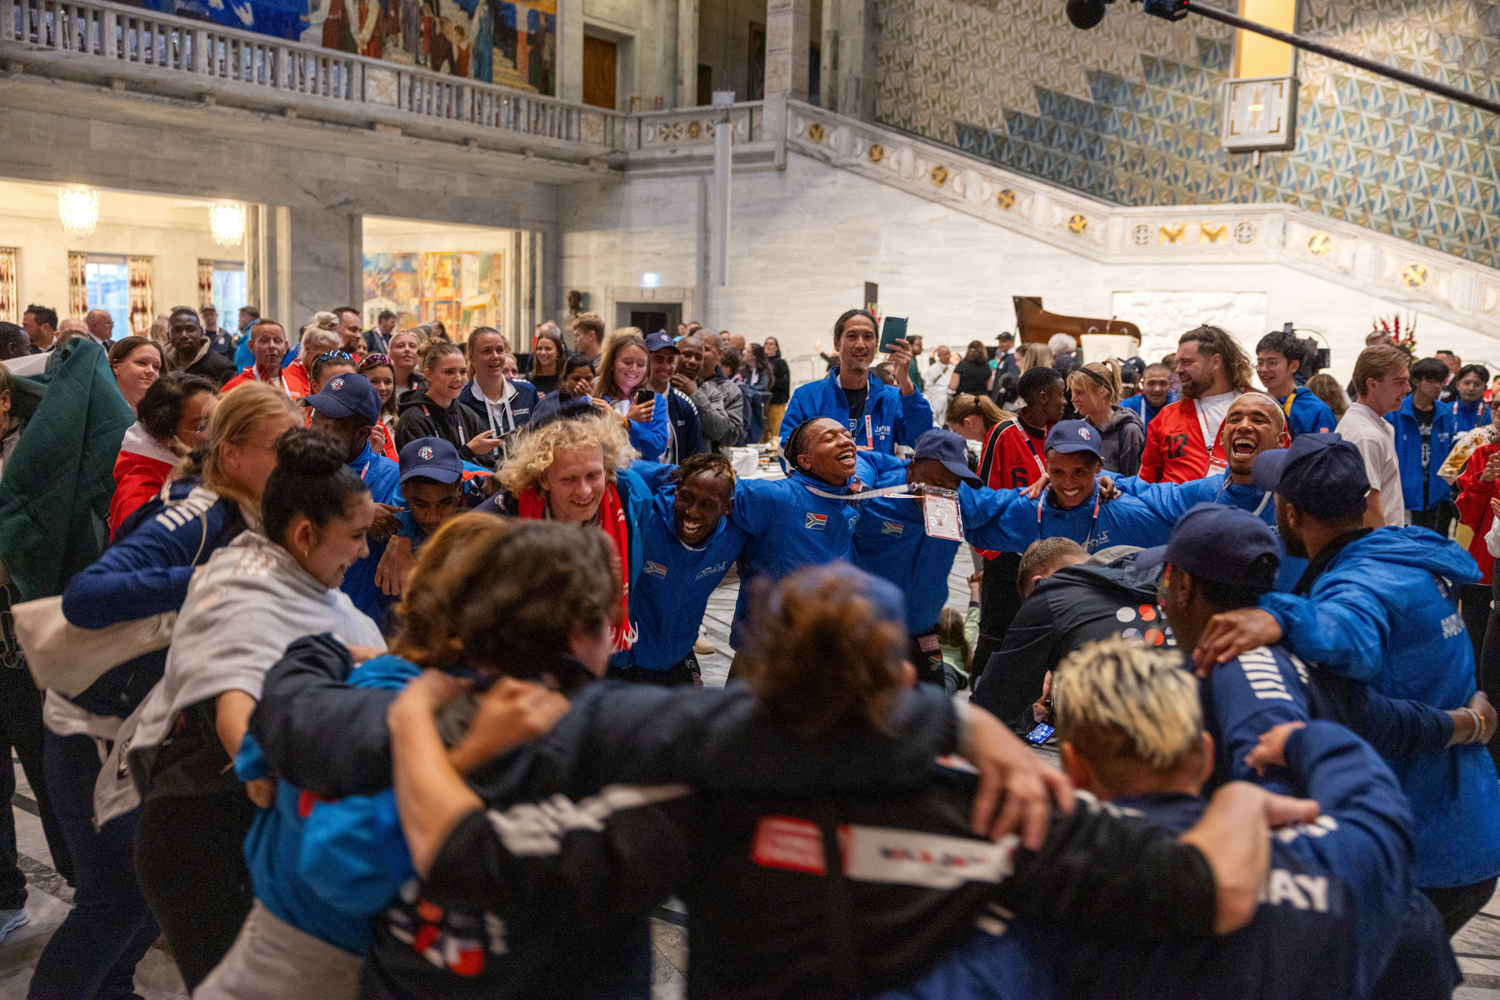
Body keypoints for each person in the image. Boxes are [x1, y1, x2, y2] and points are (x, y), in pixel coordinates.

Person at [376, 551, 1301, 1000]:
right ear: (904, 676)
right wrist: (1248, 796)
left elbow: (460, 851)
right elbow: (1213, 888)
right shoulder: (1005, 809)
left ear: (765, 675)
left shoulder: (698, 801)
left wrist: (414, 713)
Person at [48, 384, 300, 999]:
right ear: (233, 453)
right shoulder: (195, 511)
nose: (293, 461)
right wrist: (206, 578)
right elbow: (86, 597)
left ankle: (114, 992)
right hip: (94, 727)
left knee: (148, 893)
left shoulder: (255, 511)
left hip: (153, 725)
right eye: (280, 449)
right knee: (114, 898)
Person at [1194, 433, 1500, 935]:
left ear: (1291, 513)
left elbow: (1350, 635)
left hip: (1419, 854)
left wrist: (1277, 615)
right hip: (1469, 833)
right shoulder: (1408, 559)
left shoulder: (1356, 583)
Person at [111, 430, 382, 991]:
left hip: (250, 841)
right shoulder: (240, 592)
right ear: (305, 534)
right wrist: (264, 765)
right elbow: (239, 715)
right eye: (356, 536)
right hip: (206, 847)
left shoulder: (294, 583)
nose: (363, 551)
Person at [1039, 637, 1451, 999]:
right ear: (1205, 754)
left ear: (1075, 768)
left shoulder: (1052, 880)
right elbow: (1374, 801)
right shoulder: (1341, 862)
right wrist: (1303, 739)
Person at [475, 412, 648, 651]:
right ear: (544, 479)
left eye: (593, 475)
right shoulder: (501, 522)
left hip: (597, 648)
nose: (585, 491)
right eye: (569, 480)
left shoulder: (630, 505)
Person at [852, 429, 985, 689]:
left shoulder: (953, 505)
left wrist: (1051, 500)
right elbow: (864, 461)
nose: (942, 493)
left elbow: (1004, 507)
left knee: (932, 705)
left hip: (923, 631)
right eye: (937, 481)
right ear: (912, 468)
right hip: (869, 633)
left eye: (952, 485)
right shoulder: (873, 499)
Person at [610, 453, 743, 686]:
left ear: (727, 508)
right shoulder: (645, 522)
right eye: (686, 497)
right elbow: (615, 465)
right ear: (675, 490)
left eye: (707, 504)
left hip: (678, 655)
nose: (692, 511)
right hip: (627, 659)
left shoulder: (735, 536)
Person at [971, 365, 1068, 671]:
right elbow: (982, 493)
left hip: (1052, 554)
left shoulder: (1062, 434)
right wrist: (992, 554)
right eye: (1061, 394)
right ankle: (982, 702)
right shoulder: (1003, 434)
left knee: (1043, 635)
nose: (1065, 401)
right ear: (1042, 398)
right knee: (996, 635)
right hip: (1009, 556)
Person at [301, 373, 402, 622]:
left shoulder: (394, 479)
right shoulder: (298, 469)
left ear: (361, 434)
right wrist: (361, 515)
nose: (315, 434)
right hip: (305, 618)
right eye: (314, 422)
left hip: (368, 622)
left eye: (328, 428)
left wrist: (405, 535)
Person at [782, 310, 931, 455]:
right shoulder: (806, 398)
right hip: (824, 480)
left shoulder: (892, 399)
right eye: (852, 336)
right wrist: (837, 454)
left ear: (876, 344)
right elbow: (786, 450)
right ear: (837, 343)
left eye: (868, 337)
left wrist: (905, 382)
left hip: (878, 480)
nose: (860, 344)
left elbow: (924, 441)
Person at [1139, 325, 1252, 483]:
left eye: (1186, 362)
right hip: (1175, 507)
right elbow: (1146, 482)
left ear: (1215, 362)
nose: (1178, 369)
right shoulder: (1165, 418)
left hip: (1238, 505)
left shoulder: (1260, 410)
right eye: (1178, 362)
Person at [108, 371, 216, 536]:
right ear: (167, 436)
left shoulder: (200, 464)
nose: (217, 433)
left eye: (219, 419)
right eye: (201, 427)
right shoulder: (141, 497)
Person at [395, 341, 501, 469]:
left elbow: (488, 466)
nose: (458, 378)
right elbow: (422, 474)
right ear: (429, 375)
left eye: (462, 372)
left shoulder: (468, 415)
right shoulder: (412, 420)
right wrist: (468, 451)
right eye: (449, 372)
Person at [1336, 344, 1409, 528]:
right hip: (1378, 546)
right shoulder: (1365, 436)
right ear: (1373, 384)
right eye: (1400, 381)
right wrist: (1383, 552)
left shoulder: (1379, 426)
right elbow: (1368, 507)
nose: (1407, 388)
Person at [1389, 356, 1459, 534]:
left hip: (1438, 493)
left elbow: (1454, 452)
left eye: (1441, 381)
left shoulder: (1446, 412)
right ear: (1416, 381)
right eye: (1431, 380)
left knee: (1436, 545)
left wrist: (1449, 484)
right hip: (1405, 492)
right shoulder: (1396, 412)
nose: (1436, 386)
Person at [458, 327, 537, 464]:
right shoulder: (460, 401)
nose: (495, 356)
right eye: (487, 351)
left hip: (525, 478)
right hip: (482, 481)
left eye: (500, 350)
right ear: (471, 356)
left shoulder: (527, 392)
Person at [593, 330, 669, 460]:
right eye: (627, 362)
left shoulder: (655, 401)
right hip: (606, 475)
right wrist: (627, 420)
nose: (634, 369)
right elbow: (592, 448)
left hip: (643, 477)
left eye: (641, 364)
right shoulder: (592, 402)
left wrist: (627, 423)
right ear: (612, 365)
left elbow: (657, 447)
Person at [1067, 359, 1145, 475]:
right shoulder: (1080, 429)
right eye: (1073, 392)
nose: (1073, 399)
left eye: (1080, 392)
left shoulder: (1128, 430)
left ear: (1101, 391)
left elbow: (1132, 482)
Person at [1255, 328, 1336, 438]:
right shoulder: (1255, 405)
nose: (1263, 369)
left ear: (1293, 366)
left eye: (1272, 363)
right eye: (1260, 363)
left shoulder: (1317, 411)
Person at [673, 333, 743, 453]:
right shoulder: (661, 385)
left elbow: (728, 435)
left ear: (719, 354)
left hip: (707, 463)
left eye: (702, 353)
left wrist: (695, 396)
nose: (692, 361)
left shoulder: (715, 391)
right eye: (687, 354)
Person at [644, 330, 702, 463]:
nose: (666, 366)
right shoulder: (631, 399)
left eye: (670, 360)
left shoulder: (684, 404)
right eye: (658, 359)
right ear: (645, 360)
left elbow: (693, 456)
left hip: (673, 482)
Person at [223, 320, 309, 397]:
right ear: (251, 346)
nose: (272, 345)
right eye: (264, 341)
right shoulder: (235, 388)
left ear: (285, 347)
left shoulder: (298, 383)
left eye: (277, 341)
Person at [162, 307, 237, 387]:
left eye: (190, 329)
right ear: (169, 336)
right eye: (177, 331)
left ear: (201, 333)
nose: (184, 335)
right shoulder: (161, 365)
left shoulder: (224, 368)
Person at [358, 353, 400, 460]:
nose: (382, 388)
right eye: (374, 381)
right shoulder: (352, 423)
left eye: (387, 382)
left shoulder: (398, 419)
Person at [107, 335, 164, 412]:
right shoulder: (101, 408)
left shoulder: (161, 411)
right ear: (116, 367)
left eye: (156, 367)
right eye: (141, 363)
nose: (151, 370)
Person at [761, 335, 792, 442]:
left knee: (777, 434)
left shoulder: (780, 363)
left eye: (771, 344)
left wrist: (770, 380)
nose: (768, 346)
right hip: (763, 403)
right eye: (766, 344)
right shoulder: (762, 363)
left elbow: (785, 383)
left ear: (776, 347)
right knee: (764, 434)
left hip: (776, 403)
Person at [1452, 363, 1492, 432]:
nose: (1471, 388)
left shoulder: (1491, 414)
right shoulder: (1445, 411)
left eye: (1477, 384)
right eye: (1467, 383)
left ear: (1485, 388)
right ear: (1458, 385)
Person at [526, 327, 566, 394]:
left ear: (558, 352)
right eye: (539, 349)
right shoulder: (529, 379)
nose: (543, 352)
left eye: (548, 349)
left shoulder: (565, 380)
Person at [923, 344, 958, 419]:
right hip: (937, 400)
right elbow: (928, 387)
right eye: (945, 354)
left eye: (949, 354)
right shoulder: (932, 370)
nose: (948, 356)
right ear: (939, 355)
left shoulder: (953, 368)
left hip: (950, 400)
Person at [387, 330, 423, 394]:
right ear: (389, 353)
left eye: (412, 346)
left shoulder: (428, 385)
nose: (407, 349)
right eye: (400, 346)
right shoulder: (381, 384)